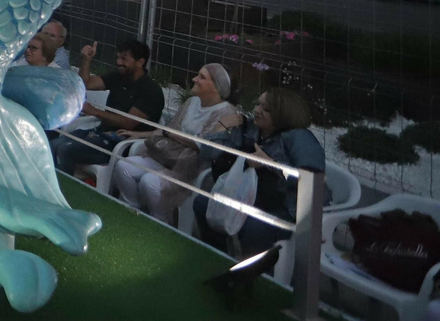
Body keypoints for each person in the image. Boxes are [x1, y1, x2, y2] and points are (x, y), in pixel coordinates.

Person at [194, 88, 326, 259]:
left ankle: (258, 275)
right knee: (203, 203)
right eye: (257, 104)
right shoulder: (250, 129)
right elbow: (208, 151)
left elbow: (312, 180)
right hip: (251, 198)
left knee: (253, 226)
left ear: (283, 114)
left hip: (289, 208)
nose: (256, 110)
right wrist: (224, 125)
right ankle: (219, 257)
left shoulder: (300, 138)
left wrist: (271, 164)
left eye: (266, 109)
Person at [111, 64, 241, 224]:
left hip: (192, 168)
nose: (194, 79)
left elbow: (204, 145)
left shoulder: (226, 113)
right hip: (169, 157)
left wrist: (171, 135)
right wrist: (140, 134)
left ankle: (161, 222)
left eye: (202, 77)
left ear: (216, 87)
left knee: (149, 182)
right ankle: (132, 212)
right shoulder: (192, 102)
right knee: (124, 167)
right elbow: (168, 130)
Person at [51, 39, 166, 178]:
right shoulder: (118, 76)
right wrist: (86, 60)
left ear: (140, 62)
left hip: (123, 144)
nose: (118, 62)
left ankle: (65, 192)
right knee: (53, 145)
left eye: (124, 58)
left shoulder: (150, 90)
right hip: (101, 133)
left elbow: (128, 123)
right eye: (118, 57)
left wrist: (95, 112)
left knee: (65, 150)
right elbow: (84, 84)